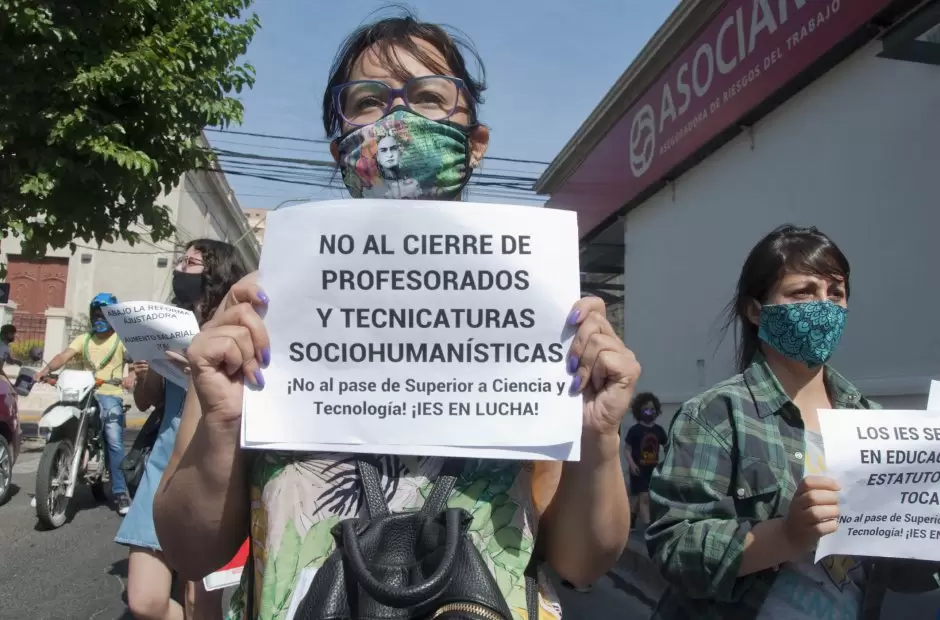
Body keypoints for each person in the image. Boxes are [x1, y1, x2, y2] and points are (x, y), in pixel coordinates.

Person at [154, 12, 640, 620]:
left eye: (430, 96)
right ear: (341, 146)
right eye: (368, 101)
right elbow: (190, 551)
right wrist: (223, 421)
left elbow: (582, 562)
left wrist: (597, 433)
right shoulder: (258, 316)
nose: (399, 118)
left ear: (475, 144)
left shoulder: (537, 315)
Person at [646, 225, 940, 620]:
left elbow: (897, 568)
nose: (824, 305)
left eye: (836, 293)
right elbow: (674, 548)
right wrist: (786, 535)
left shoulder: (873, 423)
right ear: (755, 310)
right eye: (803, 292)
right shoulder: (718, 413)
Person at [115, 239, 247, 620]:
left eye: (191, 261)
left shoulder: (233, 325)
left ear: (215, 269)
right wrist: (146, 369)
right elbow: (146, 402)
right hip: (162, 465)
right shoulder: (168, 322)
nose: (181, 267)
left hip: (213, 462)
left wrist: (201, 375)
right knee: (144, 600)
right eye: (180, 260)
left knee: (200, 601)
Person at [35, 293, 134, 515]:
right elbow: (64, 356)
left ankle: (120, 492)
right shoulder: (84, 339)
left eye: (104, 314)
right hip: (84, 391)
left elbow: (135, 362)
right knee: (62, 427)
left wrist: (132, 377)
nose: (99, 319)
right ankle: (47, 480)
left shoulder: (121, 340)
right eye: (96, 314)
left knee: (113, 439)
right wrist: (46, 370)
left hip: (110, 393)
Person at [623, 392, 666, 531]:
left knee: (641, 498)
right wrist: (632, 464)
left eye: (653, 409)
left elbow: (667, 447)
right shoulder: (634, 431)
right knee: (644, 497)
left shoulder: (659, 430)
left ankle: (631, 517)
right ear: (639, 411)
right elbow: (627, 450)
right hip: (638, 469)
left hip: (653, 469)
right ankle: (649, 527)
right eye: (647, 409)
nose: (650, 412)